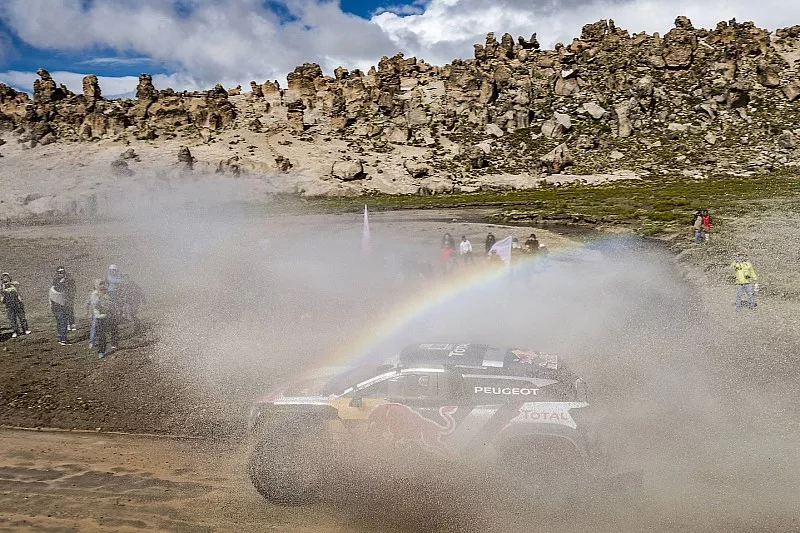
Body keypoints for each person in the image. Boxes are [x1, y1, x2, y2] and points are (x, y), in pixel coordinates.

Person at [92, 279, 118, 359]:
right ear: (97, 286)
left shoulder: (108, 294)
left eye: (104, 284)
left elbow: (112, 304)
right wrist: (101, 298)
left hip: (109, 316)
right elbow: (95, 305)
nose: (103, 286)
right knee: (102, 335)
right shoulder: (95, 294)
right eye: (101, 284)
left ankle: (114, 343)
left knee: (114, 329)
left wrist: (112, 309)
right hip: (100, 317)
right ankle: (101, 351)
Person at [1, 272, 30, 338]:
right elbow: (2, 298)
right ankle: (15, 331)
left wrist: (9, 283)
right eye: (4, 279)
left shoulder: (14, 285)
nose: (5, 281)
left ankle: (25, 329)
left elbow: (17, 284)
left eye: (7, 278)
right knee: (12, 319)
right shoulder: (2, 288)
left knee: (22, 317)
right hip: (9, 305)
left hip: (17, 303)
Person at [53, 266, 77, 331]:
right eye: (60, 272)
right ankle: (67, 325)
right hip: (60, 298)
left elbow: (73, 287)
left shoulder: (69, 278)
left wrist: (72, 295)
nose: (61, 274)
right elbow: (55, 288)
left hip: (68, 297)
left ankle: (72, 324)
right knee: (63, 312)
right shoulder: (56, 279)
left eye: (62, 272)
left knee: (70, 310)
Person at [48, 280, 71, 345]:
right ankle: (63, 339)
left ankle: (60, 338)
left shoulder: (51, 290)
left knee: (59, 323)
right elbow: (63, 301)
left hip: (54, 309)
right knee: (63, 323)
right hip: (61, 309)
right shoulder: (60, 293)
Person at [85, 279, 102, 348]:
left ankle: (98, 340)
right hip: (95, 313)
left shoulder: (104, 293)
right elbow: (87, 303)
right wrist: (86, 311)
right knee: (94, 327)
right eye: (99, 284)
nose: (101, 286)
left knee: (98, 327)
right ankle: (92, 342)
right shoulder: (93, 294)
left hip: (102, 313)